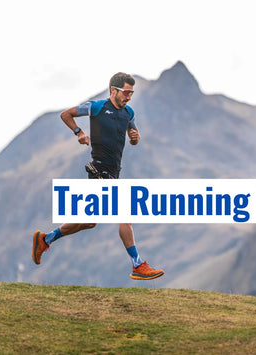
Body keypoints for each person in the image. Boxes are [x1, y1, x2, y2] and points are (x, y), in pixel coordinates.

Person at [32, 72, 164, 280]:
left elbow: (133, 138)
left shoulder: (129, 113)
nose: (129, 97)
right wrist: (79, 133)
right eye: (126, 93)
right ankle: (137, 264)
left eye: (131, 93)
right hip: (99, 171)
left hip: (114, 173)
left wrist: (135, 138)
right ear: (114, 90)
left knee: (89, 221)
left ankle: (45, 239)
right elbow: (66, 114)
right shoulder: (96, 107)